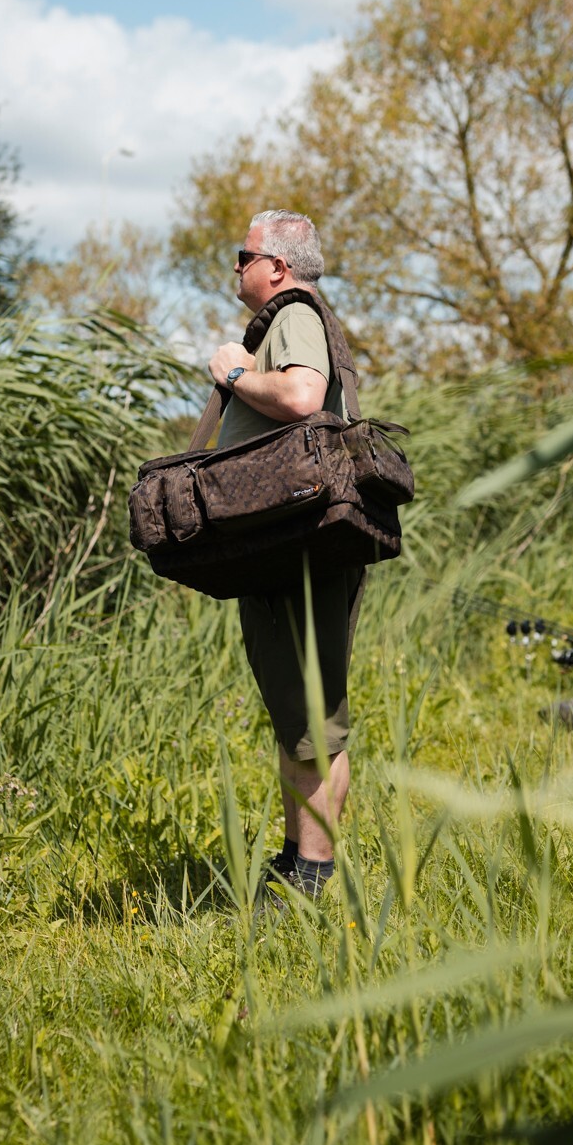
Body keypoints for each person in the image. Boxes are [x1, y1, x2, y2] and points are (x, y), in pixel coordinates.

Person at [207, 209, 366, 901]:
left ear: (276, 267)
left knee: (312, 720)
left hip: (299, 544)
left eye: (243, 255)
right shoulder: (291, 320)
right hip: (291, 542)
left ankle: (312, 880)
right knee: (298, 714)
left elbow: (301, 395)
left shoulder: (295, 313)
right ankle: (297, 857)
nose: (235, 266)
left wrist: (237, 373)